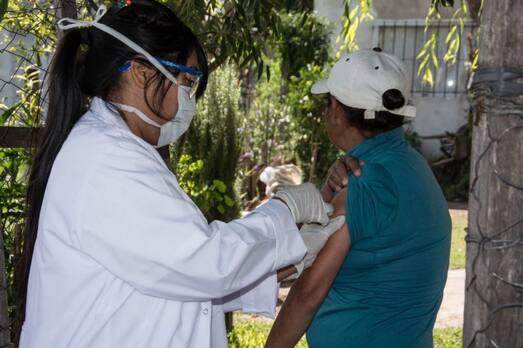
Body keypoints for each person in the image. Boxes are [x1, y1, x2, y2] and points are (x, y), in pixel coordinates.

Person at [16, 1, 346, 347]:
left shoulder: (119, 150)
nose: (188, 97)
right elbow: (204, 263)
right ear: (141, 71)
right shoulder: (106, 159)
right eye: (186, 80)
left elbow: (175, 278)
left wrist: (291, 257)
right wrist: (285, 210)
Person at [266, 48, 452, 348]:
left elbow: (308, 293)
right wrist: (329, 189)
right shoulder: (411, 165)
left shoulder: (364, 184)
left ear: (337, 111)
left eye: (328, 105)